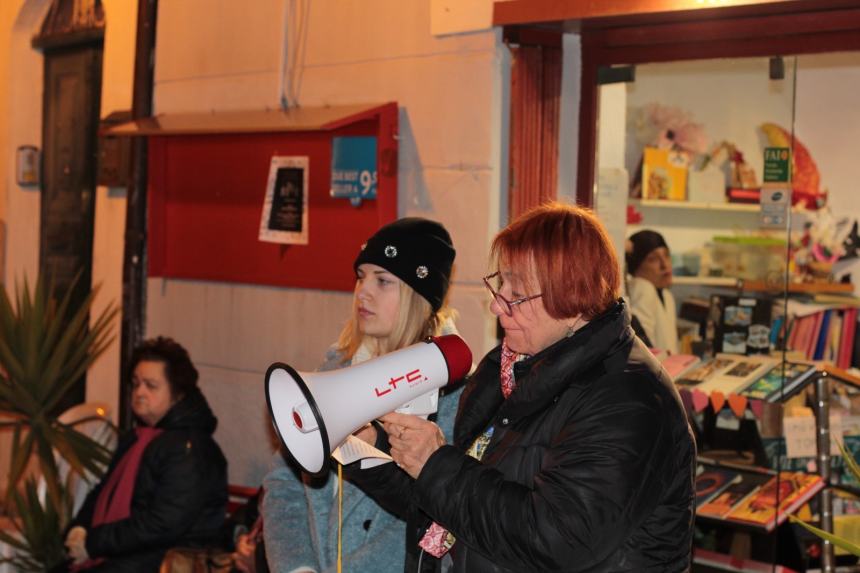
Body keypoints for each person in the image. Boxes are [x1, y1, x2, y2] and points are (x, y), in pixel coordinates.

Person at [350, 202, 696, 572]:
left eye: (517, 294)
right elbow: (452, 505)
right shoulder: (508, 367)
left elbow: (555, 539)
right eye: (502, 284)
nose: (498, 307)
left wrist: (435, 464)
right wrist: (369, 451)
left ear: (574, 298)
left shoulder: (629, 401)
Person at [262, 217, 463, 573]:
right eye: (361, 276)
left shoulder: (454, 395)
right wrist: (297, 567)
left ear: (420, 295)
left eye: (383, 280)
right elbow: (284, 484)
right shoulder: (334, 369)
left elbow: (437, 518)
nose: (363, 291)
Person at [62, 337, 228, 572]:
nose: (139, 392)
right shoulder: (138, 437)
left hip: (164, 562)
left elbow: (162, 525)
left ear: (178, 393)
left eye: (151, 385)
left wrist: (93, 542)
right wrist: (79, 529)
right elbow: (103, 491)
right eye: (136, 383)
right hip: (128, 556)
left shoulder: (191, 449)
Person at [625, 229, 679, 353]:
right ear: (637, 267)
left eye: (666, 255)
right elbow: (642, 347)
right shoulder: (642, 287)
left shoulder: (666, 294)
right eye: (653, 259)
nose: (665, 265)